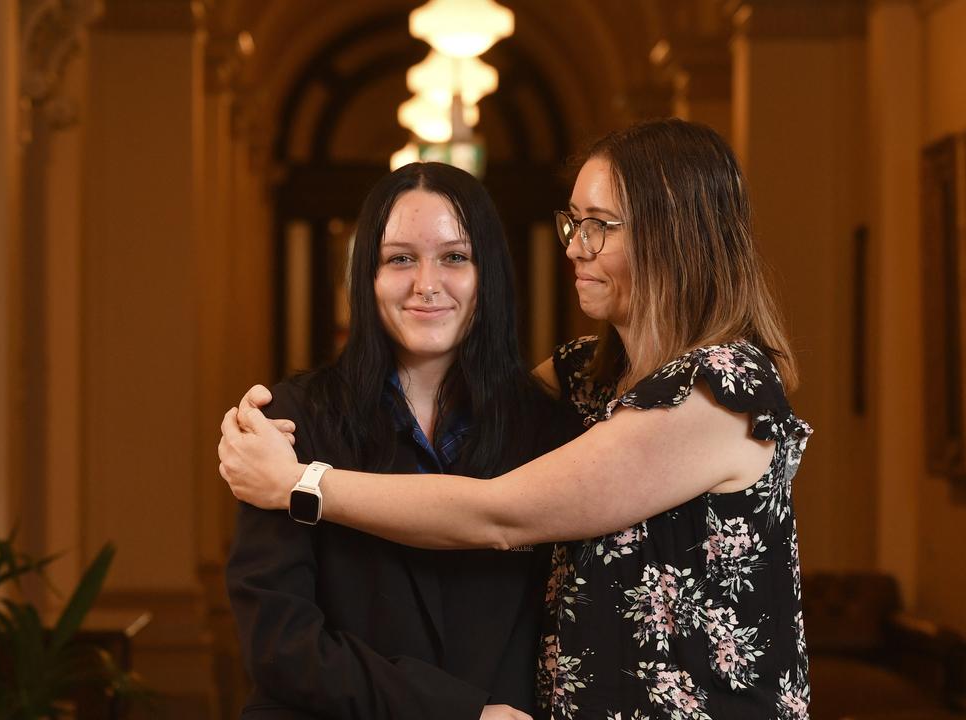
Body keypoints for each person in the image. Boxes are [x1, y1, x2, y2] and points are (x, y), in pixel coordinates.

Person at [221, 119, 814, 720]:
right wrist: (250, 426)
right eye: (573, 222)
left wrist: (298, 483)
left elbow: (498, 512)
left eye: (599, 226)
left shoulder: (720, 391)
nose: (574, 245)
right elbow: (479, 385)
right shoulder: (584, 380)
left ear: (676, 237)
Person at [224, 161, 581, 720]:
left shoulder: (550, 429)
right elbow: (280, 644)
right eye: (400, 259)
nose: (427, 284)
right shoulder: (290, 421)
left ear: (489, 274)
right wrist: (461, 713)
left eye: (455, 257)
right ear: (365, 277)